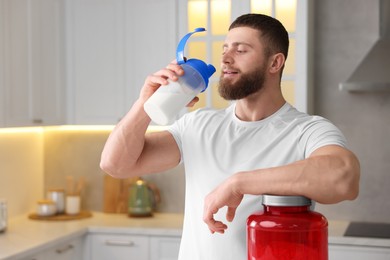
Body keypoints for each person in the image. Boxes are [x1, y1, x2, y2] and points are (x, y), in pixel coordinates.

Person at [100, 13, 360, 259]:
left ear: (275, 62)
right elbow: (116, 164)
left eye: (240, 49)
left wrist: (238, 183)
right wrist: (145, 103)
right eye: (225, 48)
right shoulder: (198, 125)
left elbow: (343, 177)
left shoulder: (307, 130)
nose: (225, 58)